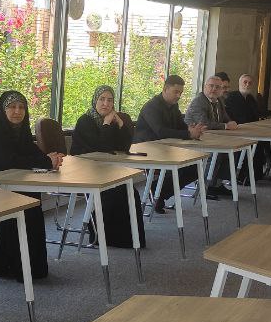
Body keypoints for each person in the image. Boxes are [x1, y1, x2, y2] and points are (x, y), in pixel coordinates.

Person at [0, 90, 58, 280]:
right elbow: (7, 162)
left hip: (6, 185)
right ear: (2, 109)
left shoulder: (20, 131)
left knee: (31, 199)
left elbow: (31, 154)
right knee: (25, 201)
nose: (17, 111)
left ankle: (29, 267)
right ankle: (9, 264)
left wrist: (49, 159)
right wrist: (46, 162)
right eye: (12, 107)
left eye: (21, 107)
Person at [70, 85, 146, 248]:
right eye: (102, 99)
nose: (106, 104)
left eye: (110, 100)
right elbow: (101, 147)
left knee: (129, 190)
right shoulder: (85, 120)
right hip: (84, 169)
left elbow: (124, 146)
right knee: (115, 191)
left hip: (104, 168)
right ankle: (100, 235)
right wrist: (106, 124)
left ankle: (127, 239)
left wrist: (120, 124)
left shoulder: (112, 121)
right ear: (95, 100)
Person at [135, 75, 214, 213]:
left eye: (181, 93)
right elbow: (160, 131)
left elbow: (180, 126)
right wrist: (188, 134)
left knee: (195, 167)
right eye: (176, 92)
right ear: (165, 89)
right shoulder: (151, 106)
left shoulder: (173, 106)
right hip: (147, 149)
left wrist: (192, 130)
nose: (178, 96)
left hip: (165, 148)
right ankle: (157, 192)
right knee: (182, 167)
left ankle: (159, 192)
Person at [186, 75, 239, 196]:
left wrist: (231, 123)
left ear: (221, 90)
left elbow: (226, 119)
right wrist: (226, 126)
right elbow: (204, 124)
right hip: (193, 138)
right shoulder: (199, 101)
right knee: (214, 153)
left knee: (231, 150)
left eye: (217, 87)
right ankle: (204, 186)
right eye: (211, 86)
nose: (214, 89)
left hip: (210, 138)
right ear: (205, 87)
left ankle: (216, 184)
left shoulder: (219, 101)